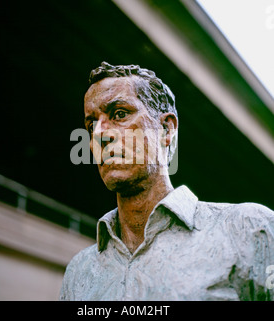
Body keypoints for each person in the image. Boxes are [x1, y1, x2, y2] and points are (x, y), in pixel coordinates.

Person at [60, 62, 274, 301]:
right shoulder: (79, 272)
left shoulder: (248, 230)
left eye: (119, 114)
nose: (100, 134)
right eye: (91, 125)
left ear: (166, 129)